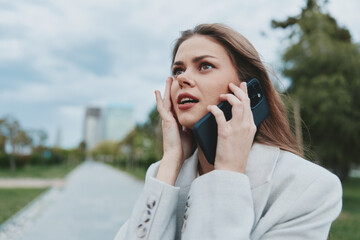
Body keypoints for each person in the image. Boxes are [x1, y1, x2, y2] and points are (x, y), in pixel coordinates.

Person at [114, 23, 342, 240]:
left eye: (205, 65)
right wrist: (172, 159)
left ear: (247, 89)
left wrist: (227, 176)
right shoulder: (163, 174)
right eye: (178, 70)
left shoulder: (308, 186)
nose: (182, 78)